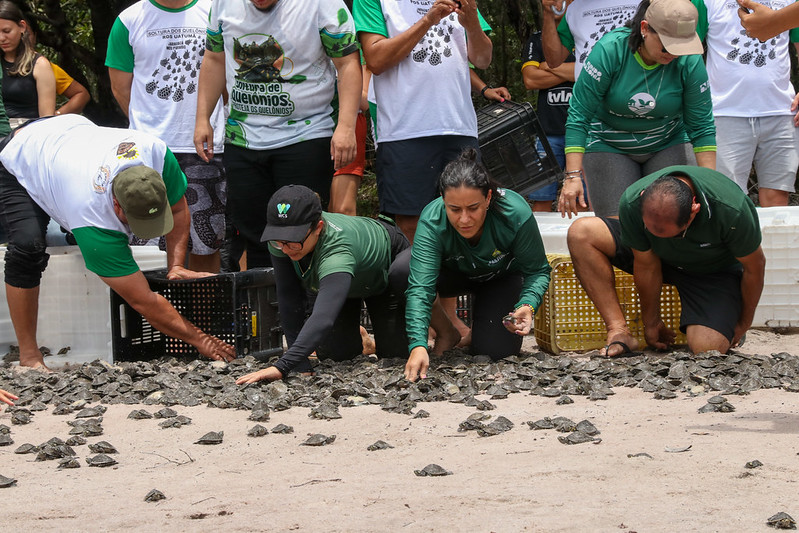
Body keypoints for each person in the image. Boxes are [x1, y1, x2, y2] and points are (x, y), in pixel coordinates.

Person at [0, 114, 236, 370]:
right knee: (27, 246)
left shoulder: (156, 152)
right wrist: (200, 340)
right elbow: (143, 300)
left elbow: (178, 210)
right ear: (115, 204)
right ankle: (29, 355)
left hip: (68, 135)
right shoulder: (90, 214)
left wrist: (175, 266)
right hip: (24, 151)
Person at [194, 0, 361, 269]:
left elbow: (348, 63)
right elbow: (213, 58)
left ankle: (309, 307)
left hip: (307, 135)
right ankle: (267, 307)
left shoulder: (321, 4)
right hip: (244, 137)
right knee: (254, 233)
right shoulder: (223, 4)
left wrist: (346, 127)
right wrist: (203, 118)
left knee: (302, 230)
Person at [567, 165, 766, 356]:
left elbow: (755, 267)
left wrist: (743, 323)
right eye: (652, 230)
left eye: (675, 234)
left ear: (694, 210)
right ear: (643, 199)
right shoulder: (632, 200)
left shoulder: (732, 209)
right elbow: (646, 264)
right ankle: (618, 330)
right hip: (657, 258)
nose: (664, 238)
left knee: (708, 349)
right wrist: (651, 321)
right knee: (582, 232)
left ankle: (723, 316)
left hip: (711, 270)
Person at [403, 150, 552, 382]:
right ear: (443, 200)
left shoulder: (515, 212)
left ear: (489, 198)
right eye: (454, 209)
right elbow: (420, 286)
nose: (464, 219)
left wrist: (527, 305)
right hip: (452, 274)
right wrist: (418, 344)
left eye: (473, 208)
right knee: (401, 271)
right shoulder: (432, 219)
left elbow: (538, 270)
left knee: (495, 352)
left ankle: (481, 327)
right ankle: (447, 331)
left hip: (500, 277)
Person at [236, 185, 410, 384]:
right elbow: (289, 298)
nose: (285, 249)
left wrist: (282, 366)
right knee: (337, 355)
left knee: (395, 357)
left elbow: (323, 317)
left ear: (318, 228)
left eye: (293, 241)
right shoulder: (281, 241)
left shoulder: (337, 251)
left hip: (382, 270)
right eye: (279, 241)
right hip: (340, 281)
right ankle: (361, 338)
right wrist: (298, 362)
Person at [560, 0, 716, 218]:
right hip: (609, 141)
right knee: (617, 225)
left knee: (670, 217)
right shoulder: (610, 50)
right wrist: (572, 176)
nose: (674, 53)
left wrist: (710, 184)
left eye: (682, 46)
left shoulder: (688, 61)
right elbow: (579, 114)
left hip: (667, 140)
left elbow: (701, 125)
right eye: (667, 44)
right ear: (644, 29)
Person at [353, 0, 493, 242]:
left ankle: (464, 280)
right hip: (404, 130)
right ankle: (421, 280)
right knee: (412, 224)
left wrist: (471, 23)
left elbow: (482, 60)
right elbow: (375, 59)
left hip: (459, 126)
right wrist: (428, 20)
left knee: (469, 218)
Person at [106, 0, 227, 273]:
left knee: (206, 241)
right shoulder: (129, 20)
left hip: (204, 145)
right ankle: (157, 315)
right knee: (148, 245)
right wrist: (150, 128)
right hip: (149, 151)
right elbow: (120, 87)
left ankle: (205, 315)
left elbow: (226, 74)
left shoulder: (213, 11)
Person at [695, 0, 799, 207]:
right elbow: (690, 53)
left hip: (781, 111)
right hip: (723, 112)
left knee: (777, 200)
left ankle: (772, 241)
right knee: (727, 200)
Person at [522, 27, 577, 211]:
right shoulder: (537, 39)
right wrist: (569, 72)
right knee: (542, 197)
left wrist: (548, 66)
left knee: (582, 198)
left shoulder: (583, 34)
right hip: (548, 134)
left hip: (583, 132)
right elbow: (530, 79)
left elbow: (587, 73)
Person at [541, 0, 639, 79]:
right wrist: (548, 13)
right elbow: (553, 61)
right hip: (589, 99)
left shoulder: (644, 3)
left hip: (634, 95)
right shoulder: (574, 9)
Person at [0, 1, 56, 128]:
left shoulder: (39, 65)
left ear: (22, 27)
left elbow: (46, 119)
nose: (1, 38)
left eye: (6, 31)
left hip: (26, 132)